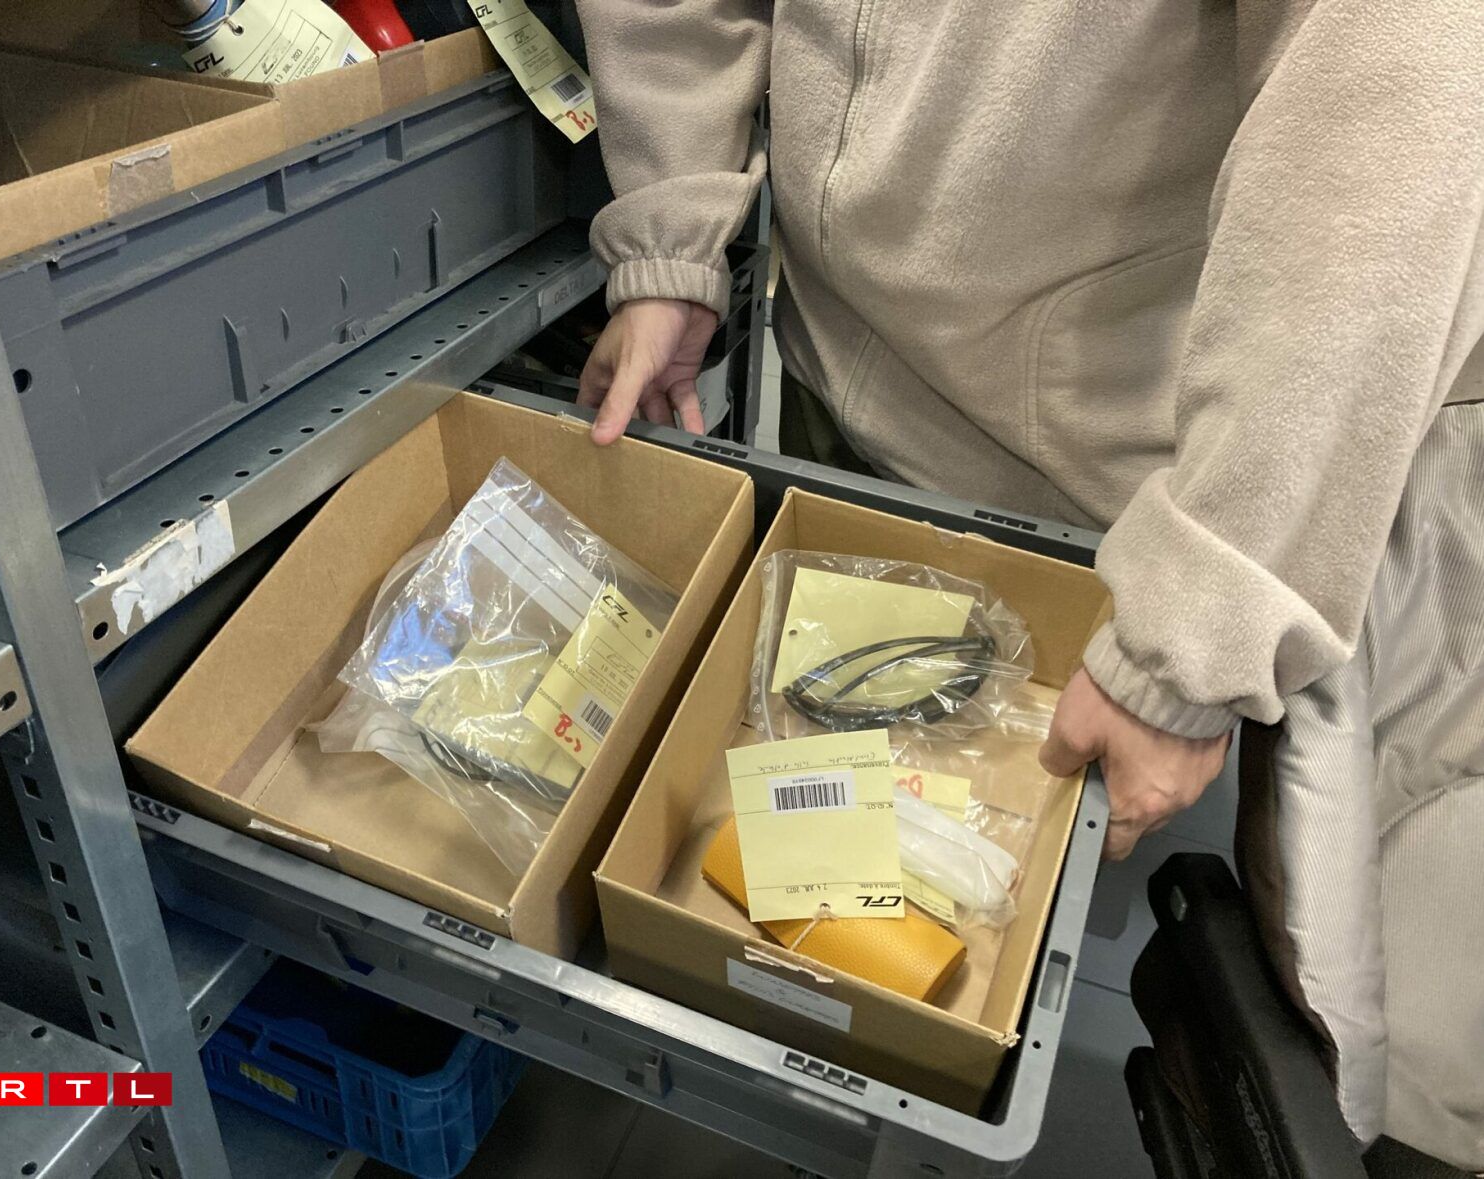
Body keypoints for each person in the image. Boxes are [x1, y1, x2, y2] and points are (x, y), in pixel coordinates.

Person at [573, 1, 1484, 1170]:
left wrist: (1194, 627)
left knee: (1028, 879)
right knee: (822, 784)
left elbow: (1395, 107)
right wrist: (671, 240)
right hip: (838, 372)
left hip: (1108, 464)